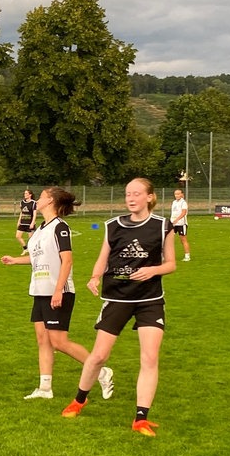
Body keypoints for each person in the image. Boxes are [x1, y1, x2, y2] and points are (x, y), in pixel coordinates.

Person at [64, 178, 176, 436]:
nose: (131, 198)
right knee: (99, 356)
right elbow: (103, 258)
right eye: (128, 194)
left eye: (136, 193)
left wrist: (153, 271)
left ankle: (141, 418)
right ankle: (79, 400)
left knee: (149, 357)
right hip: (117, 298)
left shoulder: (162, 226)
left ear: (150, 197)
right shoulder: (113, 226)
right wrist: (94, 277)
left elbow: (171, 264)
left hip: (150, 299)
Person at [0, 187, 111, 401]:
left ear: (50, 200)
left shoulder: (60, 227)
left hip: (58, 291)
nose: (38, 199)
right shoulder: (41, 228)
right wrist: (15, 260)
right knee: (43, 340)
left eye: (41, 196)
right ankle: (45, 388)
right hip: (40, 291)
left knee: (59, 341)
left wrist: (58, 290)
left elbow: (67, 260)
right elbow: (38, 259)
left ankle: (102, 371)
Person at [169, 188, 191, 261]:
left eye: (178, 194)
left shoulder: (183, 203)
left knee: (183, 240)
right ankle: (167, 256)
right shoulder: (174, 202)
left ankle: (187, 256)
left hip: (181, 224)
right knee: (168, 239)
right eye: (175, 194)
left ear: (182, 194)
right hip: (173, 224)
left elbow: (183, 213)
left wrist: (177, 219)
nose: (177, 195)